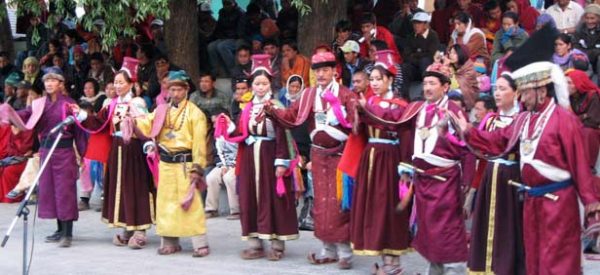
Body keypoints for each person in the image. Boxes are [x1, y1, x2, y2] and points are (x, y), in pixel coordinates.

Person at [452, 26, 600, 274]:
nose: (521, 97)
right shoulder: (524, 119)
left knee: (557, 262)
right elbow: (498, 142)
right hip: (531, 202)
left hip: (558, 204)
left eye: (526, 91)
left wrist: (592, 209)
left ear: (541, 90)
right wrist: (468, 130)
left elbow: (580, 167)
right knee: (533, 261)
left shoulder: (564, 121)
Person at [267, 51, 357, 269]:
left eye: (326, 70)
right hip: (318, 156)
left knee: (340, 204)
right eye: (318, 71)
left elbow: (356, 125)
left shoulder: (347, 95)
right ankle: (327, 250)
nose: (322, 74)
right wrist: (273, 110)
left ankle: (345, 253)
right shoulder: (308, 95)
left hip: (341, 156)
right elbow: (291, 116)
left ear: (335, 71)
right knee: (321, 204)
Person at [216, 54, 299, 261]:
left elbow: (284, 134)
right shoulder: (248, 108)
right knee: (249, 196)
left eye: (264, 83)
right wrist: (229, 125)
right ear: (252, 85)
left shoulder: (277, 106)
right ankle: (255, 243)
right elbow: (242, 133)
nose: (260, 87)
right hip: (250, 159)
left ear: (270, 84)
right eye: (257, 83)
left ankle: (277, 244)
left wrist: (282, 162)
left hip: (270, 157)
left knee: (273, 199)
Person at [0, 68, 87, 248]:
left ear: (61, 84)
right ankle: (58, 229)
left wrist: (83, 154)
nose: (49, 83)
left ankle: (67, 233)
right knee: (51, 191)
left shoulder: (69, 104)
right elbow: (25, 115)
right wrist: (8, 114)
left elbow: (79, 131)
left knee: (65, 192)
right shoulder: (39, 104)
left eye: (53, 80)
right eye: (47, 80)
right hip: (46, 151)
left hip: (64, 153)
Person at [76, 58, 155, 249]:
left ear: (131, 84)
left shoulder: (137, 103)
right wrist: (81, 114)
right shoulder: (111, 104)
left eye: (121, 82)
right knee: (119, 187)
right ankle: (127, 226)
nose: (118, 86)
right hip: (117, 149)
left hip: (134, 150)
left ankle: (139, 229)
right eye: (116, 82)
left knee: (135, 187)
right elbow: (98, 123)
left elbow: (146, 127)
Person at [134, 70, 210, 257]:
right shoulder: (161, 110)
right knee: (166, 203)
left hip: (186, 163)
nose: (174, 93)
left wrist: (197, 168)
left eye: (179, 89)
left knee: (191, 203)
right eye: (172, 89)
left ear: (186, 90)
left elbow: (200, 143)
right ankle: (169, 241)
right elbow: (146, 124)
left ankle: (199, 243)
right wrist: (132, 120)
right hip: (166, 163)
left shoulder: (195, 113)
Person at [404, 65, 471, 274]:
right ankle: (434, 267)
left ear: (446, 86)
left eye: (432, 83)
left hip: (446, 179)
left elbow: (467, 145)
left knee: (448, 227)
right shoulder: (418, 109)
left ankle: (454, 270)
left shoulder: (454, 110)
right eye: (425, 83)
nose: (427, 88)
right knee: (429, 227)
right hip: (423, 180)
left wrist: (467, 181)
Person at [351, 50, 410, 274]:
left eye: (379, 79)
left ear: (390, 79)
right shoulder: (369, 101)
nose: (374, 84)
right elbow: (358, 131)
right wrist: (356, 114)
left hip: (390, 159)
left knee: (389, 207)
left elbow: (397, 128)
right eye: (372, 79)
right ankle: (382, 254)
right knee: (374, 207)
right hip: (371, 157)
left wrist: (406, 167)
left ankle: (393, 261)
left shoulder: (399, 105)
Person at [466, 74, 525, 275]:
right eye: (496, 89)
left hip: (511, 177)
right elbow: (479, 147)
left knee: (508, 226)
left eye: (502, 89)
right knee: (485, 225)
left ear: (516, 92)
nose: (497, 93)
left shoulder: (522, 119)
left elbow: (497, 141)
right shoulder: (491, 119)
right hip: (490, 175)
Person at [565, 69, 600, 172]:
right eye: (565, 82)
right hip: (578, 126)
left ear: (578, 83)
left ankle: (588, 166)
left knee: (587, 131)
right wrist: (583, 116)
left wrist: (576, 119)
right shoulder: (569, 98)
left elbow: (593, 120)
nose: (566, 86)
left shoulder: (592, 96)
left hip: (592, 130)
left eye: (569, 83)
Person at [204, 123, 240, 220]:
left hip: (237, 164)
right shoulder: (218, 136)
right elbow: (217, 155)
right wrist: (223, 165)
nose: (215, 126)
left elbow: (241, 152)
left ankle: (236, 210)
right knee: (211, 178)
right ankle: (211, 209)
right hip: (223, 164)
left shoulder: (236, 132)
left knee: (229, 178)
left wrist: (231, 165)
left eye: (216, 123)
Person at [402, 12, 439, 92]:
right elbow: (406, 55)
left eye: (419, 23)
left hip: (427, 68)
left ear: (426, 24)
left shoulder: (433, 36)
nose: (416, 26)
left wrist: (415, 55)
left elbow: (431, 55)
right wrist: (419, 56)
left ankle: (425, 91)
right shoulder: (410, 36)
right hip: (414, 68)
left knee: (425, 61)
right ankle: (404, 94)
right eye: (414, 23)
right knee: (405, 67)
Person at [574, 4, 600, 84]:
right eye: (587, 18)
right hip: (584, 58)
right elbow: (575, 45)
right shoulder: (580, 28)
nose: (589, 21)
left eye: (592, 18)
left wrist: (588, 53)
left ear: (599, 18)